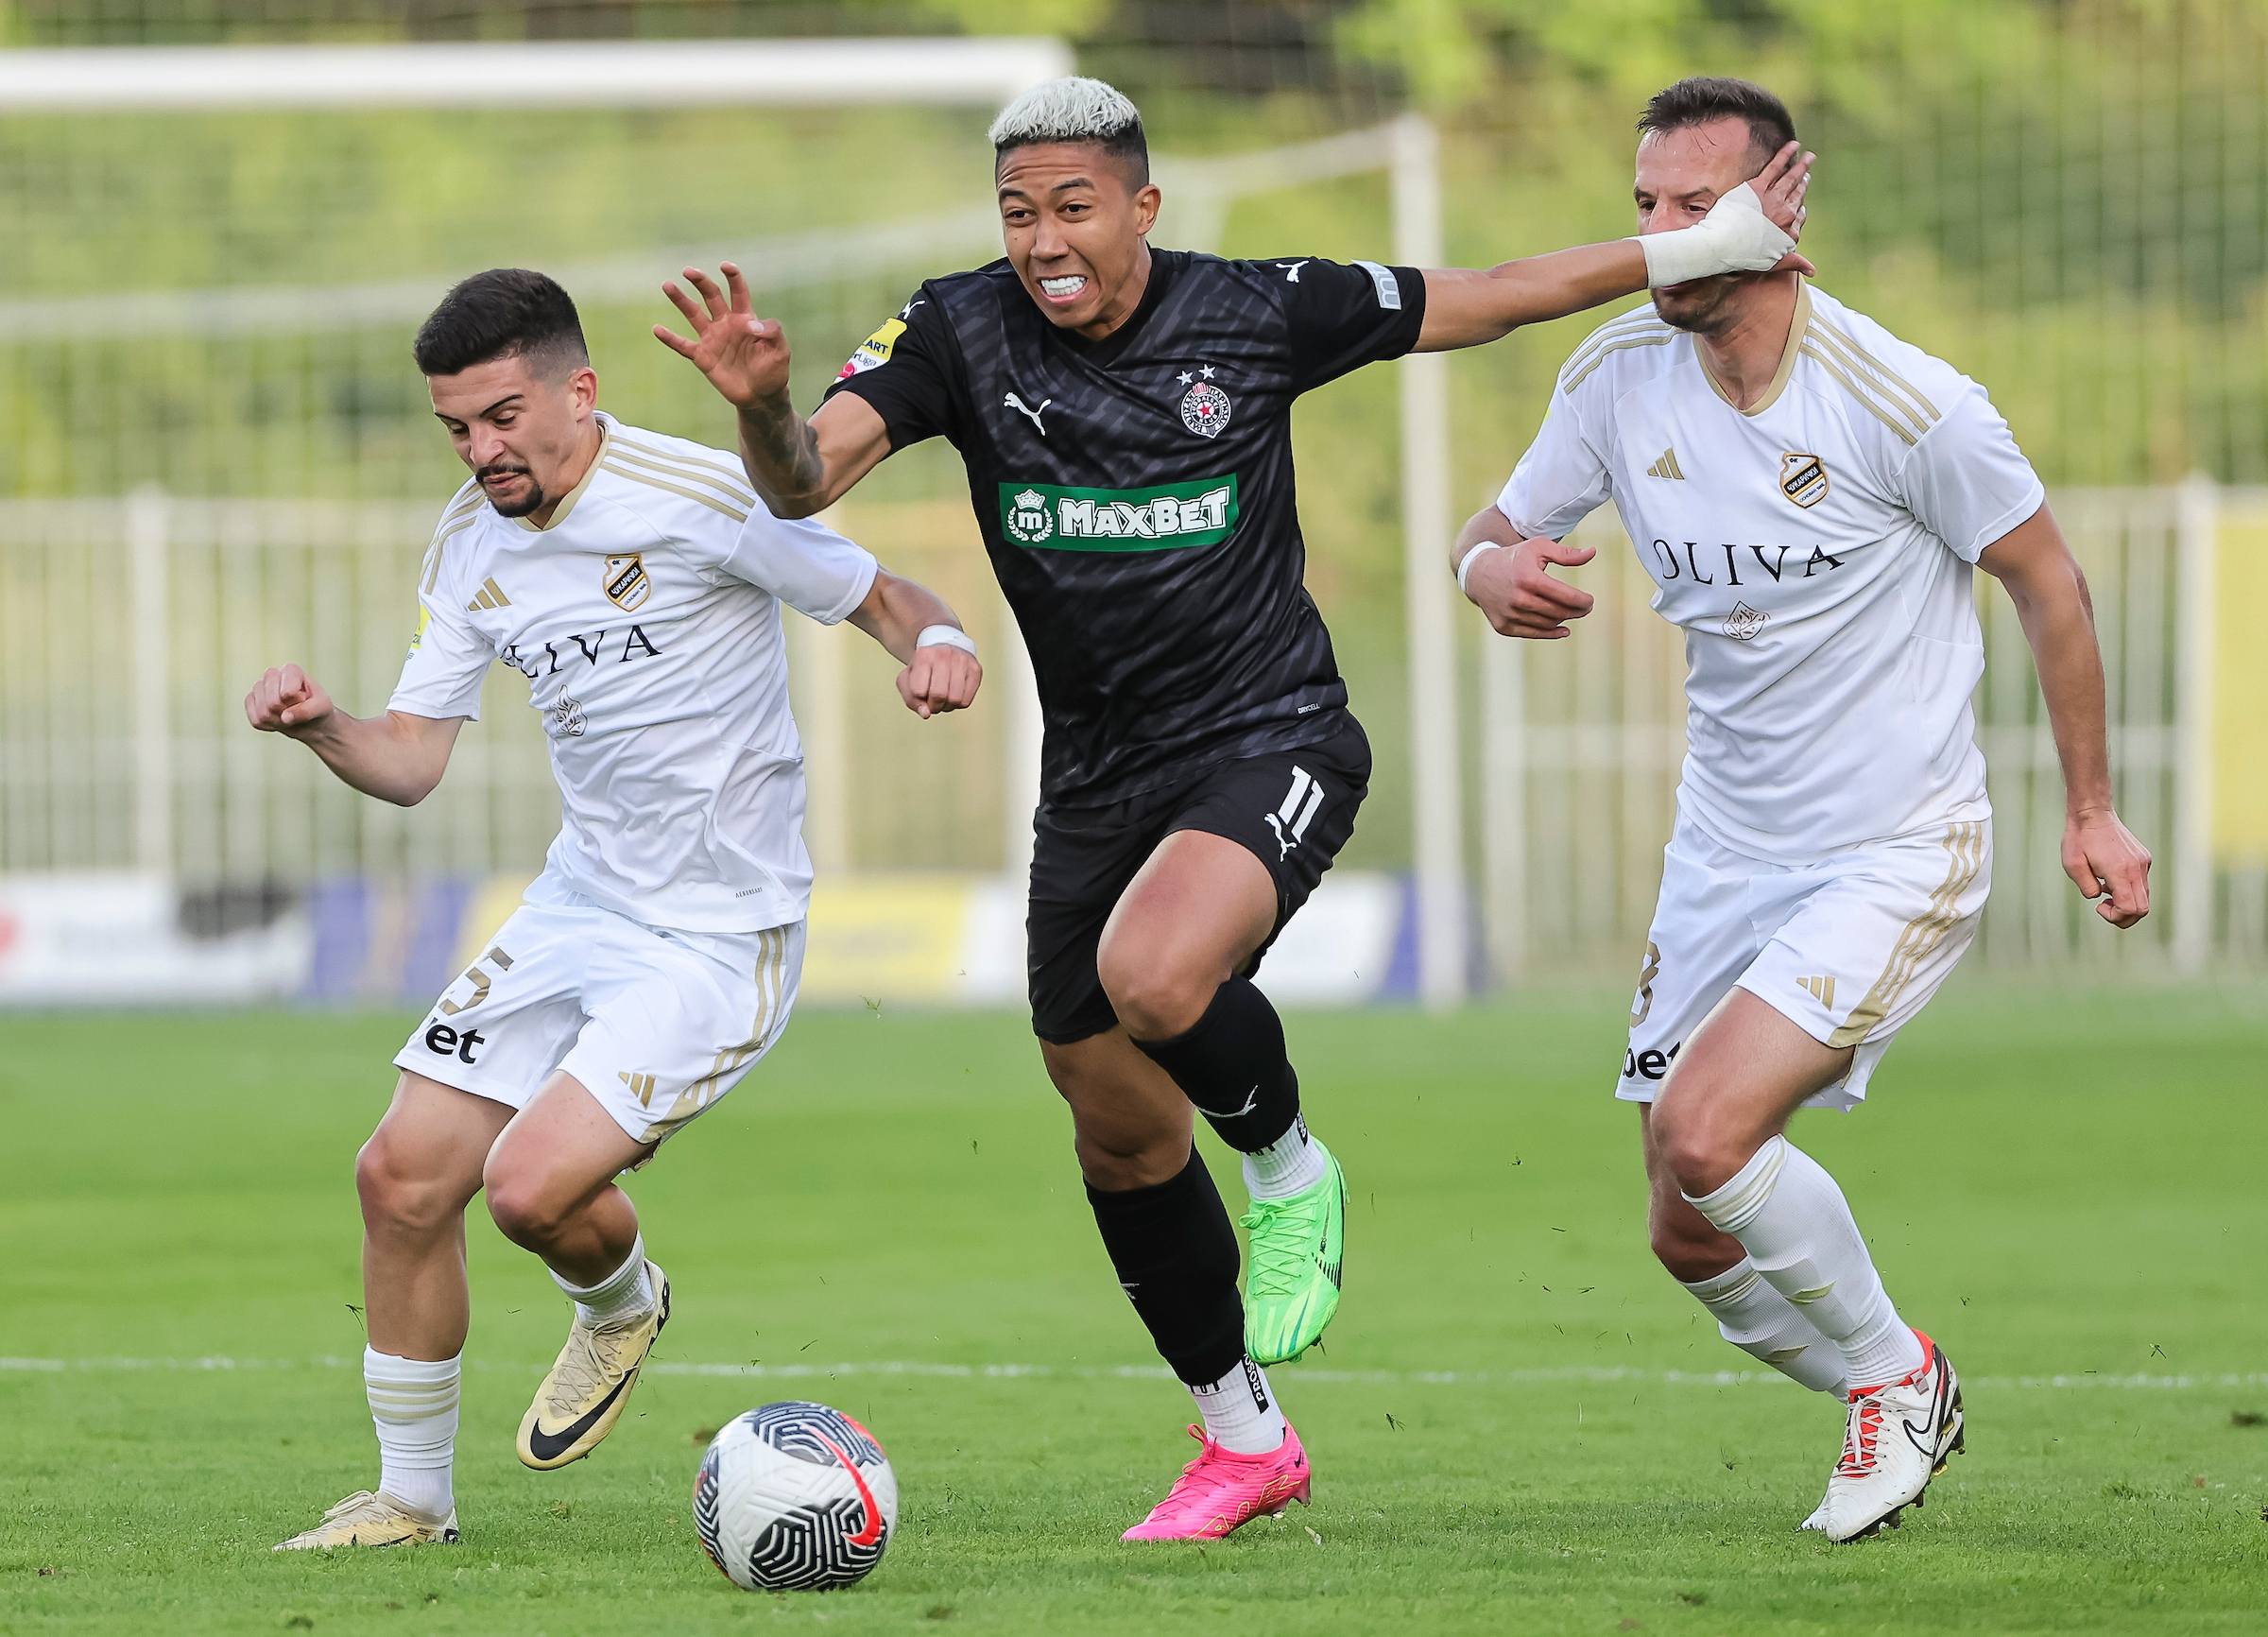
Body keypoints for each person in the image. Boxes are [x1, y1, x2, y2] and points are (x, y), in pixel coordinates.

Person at [655, 75, 1812, 1542]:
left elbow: (1502, 291)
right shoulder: (956, 328)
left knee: (1157, 976)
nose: (1043, 240)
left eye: (1074, 206)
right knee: (1116, 1130)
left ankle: (1287, 1162)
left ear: (1144, 205)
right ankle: (1243, 1439)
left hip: (1273, 737)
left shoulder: (1257, 310)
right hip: (1095, 780)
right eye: (1018, 212)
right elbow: (806, 482)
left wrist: (1695, 253)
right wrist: (764, 407)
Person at [1457, 77, 2154, 1542]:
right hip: (1725, 848)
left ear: (1781, 204)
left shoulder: (1907, 401)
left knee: (1710, 1135)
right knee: (1680, 1218)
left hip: (1897, 848)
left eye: (1687, 204)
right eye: (1640, 205)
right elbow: (1496, 527)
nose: (1655, 234)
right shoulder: (1613, 378)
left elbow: (2049, 580)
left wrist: (2090, 809)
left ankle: (1893, 1378)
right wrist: (1487, 572)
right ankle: (1891, 1385)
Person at [251, 268, 980, 1549]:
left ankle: (621, 1301)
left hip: (720, 929)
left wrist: (942, 642)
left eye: (501, 417)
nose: (482, 452)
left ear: (579, 393)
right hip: (582, 900)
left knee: (528, 1193)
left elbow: (882, 593)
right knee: (401, 1178)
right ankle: (411, 1503)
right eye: (457, 430)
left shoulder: (697, 495)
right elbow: (413, 760)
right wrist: (325, 730)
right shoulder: (470, 540)